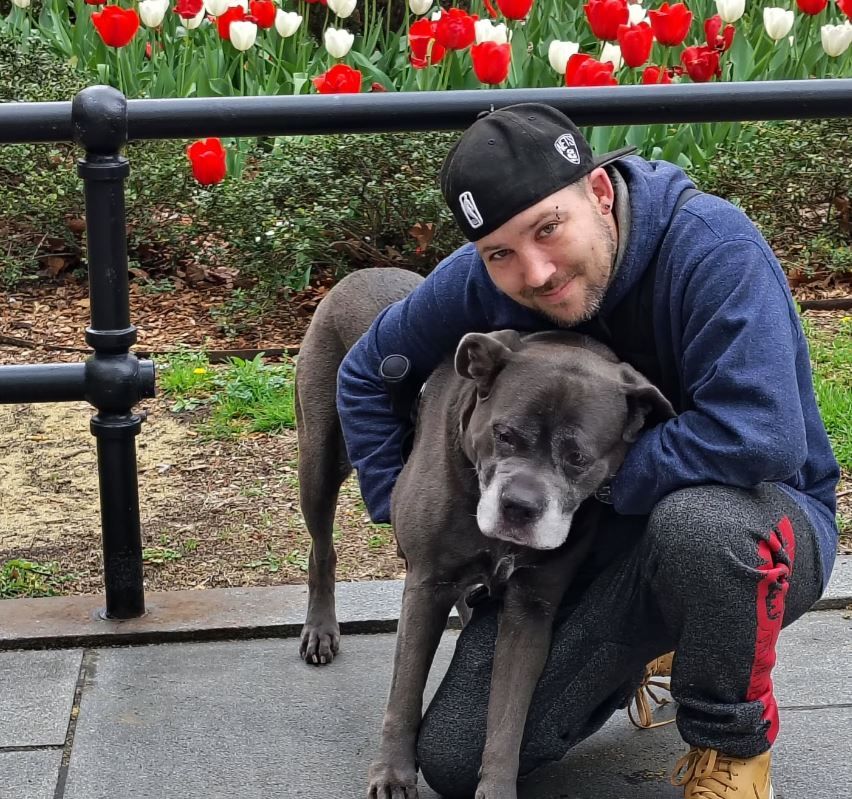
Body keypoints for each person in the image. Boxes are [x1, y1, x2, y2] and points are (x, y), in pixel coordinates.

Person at [335, 103, 840, 799]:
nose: (535, 272)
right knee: (455, 758)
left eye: (549, 229)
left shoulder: (713, 249)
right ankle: (662, 632)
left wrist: (597, 475)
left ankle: (732, 742)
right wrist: (399, 506)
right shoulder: (489, 270)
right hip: (592, 544)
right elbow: (366, 372)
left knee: (699, 527)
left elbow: (762, 435)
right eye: (501, 253)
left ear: (598, 192)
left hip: (764, 525)